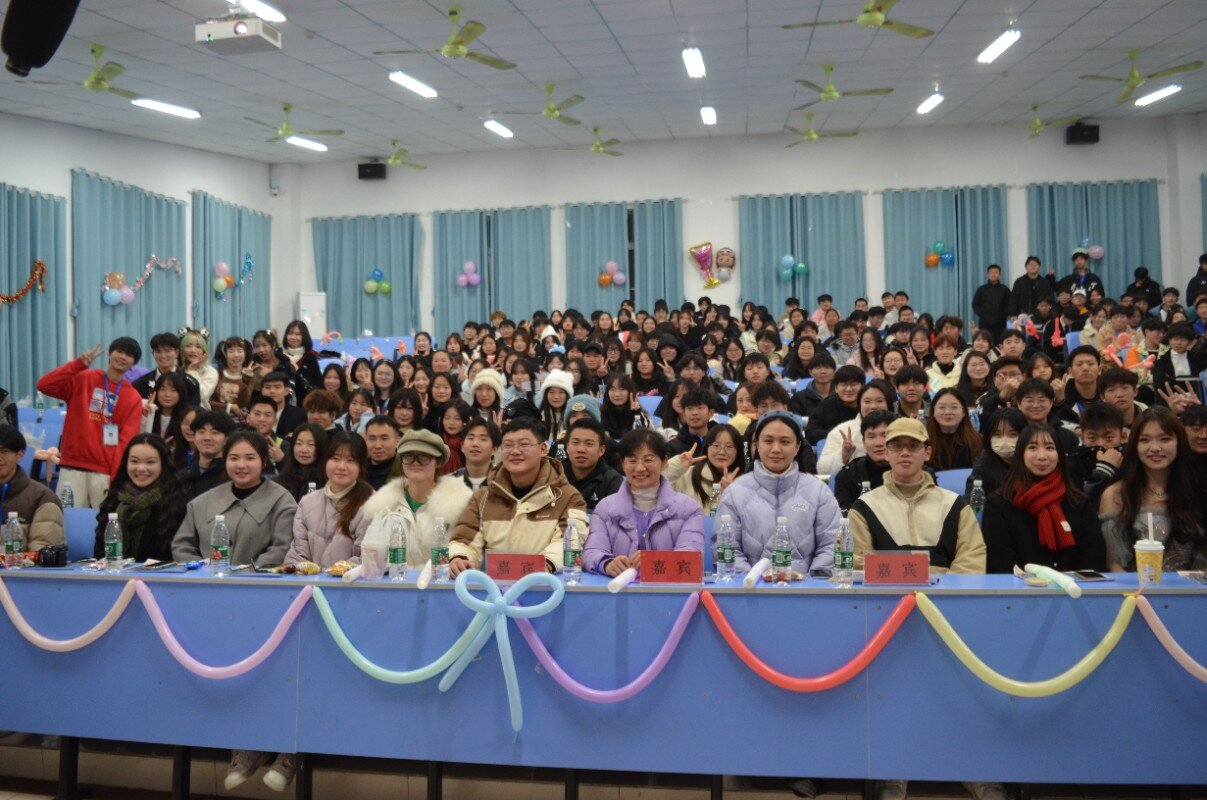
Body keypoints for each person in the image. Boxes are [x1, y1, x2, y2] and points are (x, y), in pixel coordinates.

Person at [448, 418, 588, 575]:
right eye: (508, 445)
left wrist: (547, 563)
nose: (515, 451)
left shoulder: (569, 497)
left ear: (543, 449)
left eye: (524, 445)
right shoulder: (482, 498)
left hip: (546, 584)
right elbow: (464, 538)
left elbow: (570, 541)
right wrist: (459, 557)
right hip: (493, 586)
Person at [848, 417, 986, 573]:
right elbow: (857, 564)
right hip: (885, 588)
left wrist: (941, 585)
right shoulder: (864, 507)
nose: (905, 453)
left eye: (913, 446)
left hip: (945, 588)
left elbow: (972, 561)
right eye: (896, 446)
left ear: (927, 453)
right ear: (886, 453)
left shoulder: (955, 504)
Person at [715, 411, 839, 576]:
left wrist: (809, 583)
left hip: (805, 589)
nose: (776, 449)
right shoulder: (735, 493)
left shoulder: (819, 492)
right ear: (757, 445)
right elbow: (726, 549)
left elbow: (831, 545)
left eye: (785, 442)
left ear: (797, 447)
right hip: (749, 588)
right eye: (768, 441)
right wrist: (751, 581)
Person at [981, 423, 1107, 573]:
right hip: (1019, 586)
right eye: (1032, 448)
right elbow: (999, 561)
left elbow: (1093, 558)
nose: (1042, 456)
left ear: (1059, 456)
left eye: (1049, 448)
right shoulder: (999, 503)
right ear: (1021, 454)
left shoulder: (1078, 502)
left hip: (1073, 586)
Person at [37, 338, 144, 506]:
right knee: (68, 518)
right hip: (72, 465)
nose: (123, 357)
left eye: (129, 355)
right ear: (110, 353)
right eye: (119, 351)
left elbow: (126, 441)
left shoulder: (133, 398)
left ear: (134, 363)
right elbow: (44, 385)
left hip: (105, 472)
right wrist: (77, 365)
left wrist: (115, 476)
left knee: (105, 519)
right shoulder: (84, 377)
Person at [583, 429, 705, 576]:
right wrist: (607, 563)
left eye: (648, 460)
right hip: (619, 587)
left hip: (668, 589)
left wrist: (653, 561)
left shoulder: (688, 508)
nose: (640, 468)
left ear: (664, 462)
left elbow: (692, 557)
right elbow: (592, 552)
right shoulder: (605, 508)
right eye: (632, 460)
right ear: (622, 464)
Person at [171, 430, 298, 568]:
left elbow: (282, 548)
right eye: (234, 458)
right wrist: (203, 571)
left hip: (259, 580)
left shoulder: (282, 501)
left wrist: (247, 573)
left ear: (264, 462)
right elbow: (182, 546)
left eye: (250, 458)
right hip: (206, 579)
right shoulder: (202, 502)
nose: (241, 465)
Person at [1100, 407, 1206, 572]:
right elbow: (1116, 564)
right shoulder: (1116, 494)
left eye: (1165, 439)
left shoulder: (1198, 489)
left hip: (1193, 586)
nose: (1155, 448)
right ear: (1134, 445)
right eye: (1145, 440)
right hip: (1133, 586)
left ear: (1179, 442)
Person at [361, 429, 475, 570]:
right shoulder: (384, 506)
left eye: (424, 457)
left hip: (439, 581)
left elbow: (466, 547)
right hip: (395, 582)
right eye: (409, 456)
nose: (415, 463)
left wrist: (456, 558)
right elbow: (370, 555)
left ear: (438, 462)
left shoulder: (459, 505)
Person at [93, 433, 188, 562]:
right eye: (134, 461)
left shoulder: (177, 503)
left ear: (163, 464)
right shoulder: (114, 499)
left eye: (150, 462)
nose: (141, 468)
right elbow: (100, 552)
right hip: (115, 572)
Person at [284, 432, 373, 569]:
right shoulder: (307, 503)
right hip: (308, 581)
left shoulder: (372, 505)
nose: (341, 466)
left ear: (361, 466)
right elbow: (297, 554)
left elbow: (368, 557)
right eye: (335, 458)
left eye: (350, 460)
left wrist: (335, 573)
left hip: (351, 581)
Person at [0, 424, 65, 553]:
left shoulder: (43, 498)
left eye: (4, 451)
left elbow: (42, 552)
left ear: (20, 454)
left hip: (19, 566)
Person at [817, 380, 894, 476]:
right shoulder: (842, 431)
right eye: (867, 401)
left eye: (879, 401)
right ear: (859, 404)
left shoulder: (902, 427)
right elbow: (822, 470)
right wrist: (843, 455)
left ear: (889, 403)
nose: (873, 406)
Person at [665, 423, 744, 512]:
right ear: (707, 448)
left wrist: (730, 494)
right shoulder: (687, 474)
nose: (722, 452)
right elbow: (658, 487)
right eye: (716, 446)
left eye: (729, 447)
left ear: (738, 451)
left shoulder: (746, 483)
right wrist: (677, 466)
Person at [832, 410, 899, 511]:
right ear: (863, 441)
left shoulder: (913, 473)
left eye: (885, 435)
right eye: (871, 436)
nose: (878, 443)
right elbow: (846, 516)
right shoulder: (847, 476)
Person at [560, 417, 623, 512]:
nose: (581, 449)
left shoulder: (612, 481)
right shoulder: (554, 474)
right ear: (567, 447)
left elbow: (614, 516)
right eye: (575, 443)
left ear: (601, 450)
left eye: (589, 444)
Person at [966, 408, 1025, 497]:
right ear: (989, 437)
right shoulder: (983, 461)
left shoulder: (1032, 460)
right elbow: (971, 496)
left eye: (1012, 434)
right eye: (997, 434)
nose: (1004, 441)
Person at [132, 332, 201, 405]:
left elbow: (194, 410)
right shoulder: (141, 383)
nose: (163, 356)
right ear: (153, 354)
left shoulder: (189, 383)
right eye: (158, 351)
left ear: (177, 353)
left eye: (168, 351)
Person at [178, 410, 235, 499]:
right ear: (194, 438)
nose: (207, 438)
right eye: (201, 432)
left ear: (227, 439)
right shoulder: (182, 476)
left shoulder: (233, 475)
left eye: (215, 432)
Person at [140, 372, 192, 469]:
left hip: (176, 468)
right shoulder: (147, 411)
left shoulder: (186, 418)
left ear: (181, 393)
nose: (167, 395)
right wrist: (146, 416)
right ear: (156, 391)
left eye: (173, 390)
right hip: (147, 465)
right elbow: (140, 439)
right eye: (163, 389)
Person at [926, 389, 982, 471]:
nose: (948, 412)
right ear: (933, 412)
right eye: (942, 407)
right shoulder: (924, 441)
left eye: (954, 407)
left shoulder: (979, 442)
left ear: (963, 412)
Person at [274, 423, 327, 502]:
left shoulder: (328, 481)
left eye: (311, 444)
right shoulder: (282, 479)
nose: (303, 450)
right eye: (299, 443)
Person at [453, 417, 501, 491]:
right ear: (462, 446)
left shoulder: (502, 482)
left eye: (483, 439)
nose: (475, 444)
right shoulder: (450, 481)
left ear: (494, 449)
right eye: (471, 438)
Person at [211, 336, 254, 416]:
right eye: (231, 351)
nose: (236, 355)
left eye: (240, 351)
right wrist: (229, 407)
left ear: (245, 354)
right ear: (225, 354)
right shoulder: (217, 373)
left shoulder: (249, 375)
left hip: (240, 419)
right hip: (217, 417)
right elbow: (208, 401)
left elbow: (243, 403)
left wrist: (245, 379)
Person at [282, 319, 323, 401]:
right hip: (283, 402)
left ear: (304, 337)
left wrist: (298, 373)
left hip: (304, 403)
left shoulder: (310, 358)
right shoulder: (280, 356)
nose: (293, 337)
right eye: (290, 333)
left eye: (297, 334)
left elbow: (317, 385)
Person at [259, 371, 307, 440]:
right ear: (262, 391)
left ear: (286, 391)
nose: (272, 391)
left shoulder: (299, 415)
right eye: (268, 387)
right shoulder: (254, 412)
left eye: (277, 387)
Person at [788, 353, 836, 419]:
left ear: (834, 372)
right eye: (818, 368)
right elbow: (796, 422)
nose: (823, 371)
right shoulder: (799, 398)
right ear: (810, 372)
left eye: (827, 367)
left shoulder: (842, 396)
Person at [179, 330, 219, 410]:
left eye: (198, 347)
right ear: (182, 350)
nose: (193, 350)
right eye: (188, 346)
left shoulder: (210, 371)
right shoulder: (177, 369)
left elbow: (201, 395)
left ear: (204, 351)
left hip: (200, 413)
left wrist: (192, 371)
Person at [972, 264, 1010, 338]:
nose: (993, 274)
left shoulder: (1005, 289)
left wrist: (1003, 315)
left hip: (1000, 323)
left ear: (999, 274)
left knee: (1000, 341)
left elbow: (1009, 305)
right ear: (988, 274)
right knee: (985, 341)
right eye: (991, 272)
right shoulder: (981, 289)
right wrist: (982, 314)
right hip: (984, 323)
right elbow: (975, 304)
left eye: (996, 272)